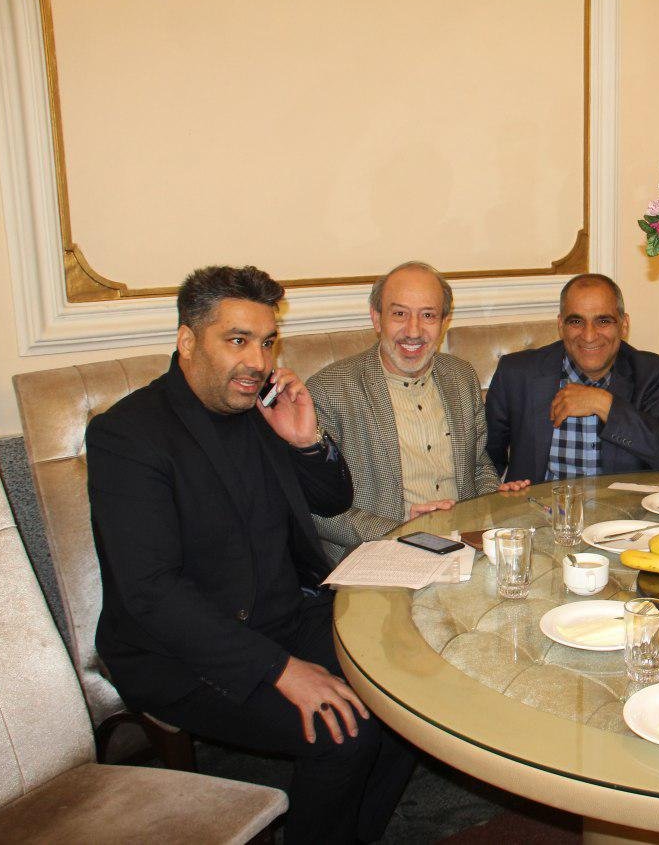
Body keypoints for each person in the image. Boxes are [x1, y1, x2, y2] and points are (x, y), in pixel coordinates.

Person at [87, 266, 417, 844]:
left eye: (267, 342)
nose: (257, 362)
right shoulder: (130, 435)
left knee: (409, 696)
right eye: (237, 340)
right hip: (181, 652)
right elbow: (151, 593)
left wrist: (306, 441)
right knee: (345, 730)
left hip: (286, 613)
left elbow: (332, 500)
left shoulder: (261, 410)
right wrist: (279, 670)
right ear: (187, 340)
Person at [307, 261, 528, 562]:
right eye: (399, 314)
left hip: (463, 548)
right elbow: (316, 508)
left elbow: (478, 465)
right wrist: (402, 530)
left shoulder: (461, 376)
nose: (414, 331)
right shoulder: (330, 389)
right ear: (377, 318)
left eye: (428, 315)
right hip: (378, 554)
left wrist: (495, 501)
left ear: (444, 322)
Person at [486, 273, 659, 483]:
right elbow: (485, 460)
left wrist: (603, 404)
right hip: (540, 502)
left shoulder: (650, 373)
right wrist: (502, 490)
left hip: (621, 504)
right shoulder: (518, 373)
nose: (589, 335)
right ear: (561, 326)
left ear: (624, 325)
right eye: (576, 321)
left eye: (603, 321)